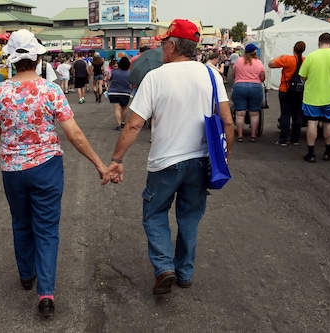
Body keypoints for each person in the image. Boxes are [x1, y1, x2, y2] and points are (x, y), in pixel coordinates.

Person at [0, 29, 110, 317]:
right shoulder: (51, 90)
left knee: (21, 222)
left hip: (12, 170)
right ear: (38, 58)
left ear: (11, 59)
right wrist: (99, 164)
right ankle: (46, 294)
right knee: (46, 230)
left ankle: (26, 275)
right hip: (46, 167)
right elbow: (73, 134)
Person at [107, 19, 234, 295]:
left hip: (165, 162)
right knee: (189, 217)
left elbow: (133, 124)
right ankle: (185, 272)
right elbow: (227, 121)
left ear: (173, 45)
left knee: (154, 214)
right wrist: (225, 156)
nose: (162, 48)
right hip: (201, 160)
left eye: (164, 43)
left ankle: (165, 267)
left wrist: (117, 159)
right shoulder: (212, 74)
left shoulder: (155, 77)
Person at [299, 33, 330, 162]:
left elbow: (302, 76)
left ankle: (311, 153)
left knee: (312, 123)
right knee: (328, 123)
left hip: (312, 97)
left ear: (319, 43)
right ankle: (327, 151)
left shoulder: (311, 57)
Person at [268, 41, 306, 146]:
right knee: (297, 114)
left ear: (294, 48)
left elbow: (271, 64)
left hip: (286, 89)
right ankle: (295, 139)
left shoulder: (287, 59)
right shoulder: (304, 60)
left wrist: (279, 56)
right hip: (299, 91)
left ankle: (283, 139)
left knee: (285, 114)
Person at [232, 43, 266, 142]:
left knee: (240, 113)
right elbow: (263, 77)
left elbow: (234, 75)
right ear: (254, 52)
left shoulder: (238, 61)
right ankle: (253, 135)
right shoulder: (259, 63)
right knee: (254, 113)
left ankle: (240, 135)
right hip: (255, 87)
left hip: (240, 86)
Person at [107, 57, 132, 130]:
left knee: (116, 108)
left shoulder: (114, 72)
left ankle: (118, 125)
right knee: (124, 107)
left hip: (114, 92)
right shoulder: (130, 73)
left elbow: (109, 79)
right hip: (125, 93)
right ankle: (123, 122)